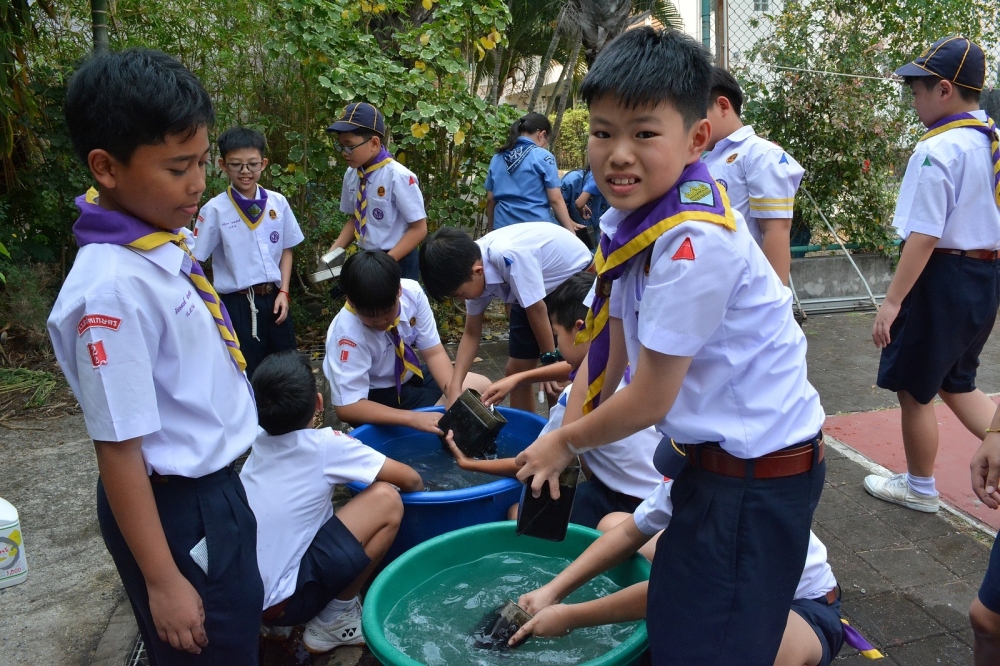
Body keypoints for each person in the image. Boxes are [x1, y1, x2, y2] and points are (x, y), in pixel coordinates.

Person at [513, 28, 826, 665]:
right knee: (682, 619)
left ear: (696, 138)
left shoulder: (692, 241)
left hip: (753, 480)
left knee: (709, 646)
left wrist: (565, 443)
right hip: (710, 463)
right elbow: (609, 352)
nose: (618, 154)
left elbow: (652, 397)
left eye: (644, 133)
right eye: (603, 132)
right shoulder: (635, 221)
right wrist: (564, 436)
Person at [48, 48, 264, 662]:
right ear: (106, 167)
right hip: (176, 507)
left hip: (211, 490)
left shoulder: (157, 245)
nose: (198, 183)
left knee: (234, 632)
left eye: (202, 161)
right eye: (177, 167)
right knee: (210, 648)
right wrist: (163, 579)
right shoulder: (110, 292)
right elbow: (119, 446)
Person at [865, 36, 1000, 515]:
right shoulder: (990, 139)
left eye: (916, 89)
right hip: (985, 274)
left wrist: (892, 302)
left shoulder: (939, 148)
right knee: (956, 380)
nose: (912, 100)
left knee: (914, 385)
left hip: (942, 275)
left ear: (944, 89)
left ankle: (920, 487)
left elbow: (924, 235)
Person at [511, 483, 855, 666]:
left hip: (801, 607)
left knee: (754, 650)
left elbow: (675, 593)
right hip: (719, 582)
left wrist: (569, 617)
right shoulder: (697, 477)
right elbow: (629, 531)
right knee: (612, 523)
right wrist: (552, 590)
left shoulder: (736, 515)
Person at [240, 351, 423, 653]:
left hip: (247, 599)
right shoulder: (326, 445)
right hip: (286, 603)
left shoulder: (257, 438)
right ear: (319, 403)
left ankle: (276, 625)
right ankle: (334, 619)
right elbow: (411, 479)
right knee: (386, 499)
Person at [447, 272, 662, 527]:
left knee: (517, 513)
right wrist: (519, 378)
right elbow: (584, 365)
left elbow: (533, 463)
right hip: (663, 494)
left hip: (631, 506)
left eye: (557, 335)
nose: (557, 348)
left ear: (580, 328)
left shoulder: (573, 400)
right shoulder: (633, 365)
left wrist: (469, 464)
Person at [419, 223, 592, 412]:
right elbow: (471, 333)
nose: (462, 300)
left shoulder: (507, 254)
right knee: (516, 371)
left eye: (460, 295)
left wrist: (549, 359)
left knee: (557, 381)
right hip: (529, 293)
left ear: (478, 271)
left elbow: (536, 309)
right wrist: (454, 387)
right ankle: (524, 427)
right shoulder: (468, 269)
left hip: (571, 282)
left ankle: (563, 426)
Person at [322, 250, 489, 432]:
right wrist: (413, 419)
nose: (381, 321)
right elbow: (347, 407)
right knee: (447, 424)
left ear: (399, 291)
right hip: (375, 394)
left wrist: (453, 393)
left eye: (388, 312)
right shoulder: (346, 335)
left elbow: (433, 353)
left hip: (408, 375)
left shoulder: (412, 294)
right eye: (370, 317)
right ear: (350, 301)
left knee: (482, 389)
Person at [193, 126, 304, 378]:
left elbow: (287, 248)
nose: (245, 171)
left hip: (275, 299)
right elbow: (195, 261)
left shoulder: (278, 202)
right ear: (223, 165)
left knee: (289, 369)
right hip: (238, 305)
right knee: (249, 373)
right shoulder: (215, 210)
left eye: (252, 164)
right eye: (236, 165)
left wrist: (284, 292)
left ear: (263, 163)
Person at [702, 67, 805, 285]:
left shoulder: (761, 154)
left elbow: (776, 230)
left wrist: (775, 299)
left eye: (695, 115)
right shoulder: (705, 160)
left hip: (745, 289)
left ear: (723, 106)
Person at [324, 102, 427, 280]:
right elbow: (356, 218)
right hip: (368, 260)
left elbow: (419, 228)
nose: (344, 153)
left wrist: (385, 263)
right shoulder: (352, 174)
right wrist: (332, 254)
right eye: (340, 146)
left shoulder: (398, 177)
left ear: (374, 143)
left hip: (398, 259)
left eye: (349, 146)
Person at [485, 112, 583, 235]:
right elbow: (555, 200)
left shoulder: (497, 157)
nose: (545, 146)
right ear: (542, 135)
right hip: (536, 231)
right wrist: (571, 233)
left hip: (502, 229)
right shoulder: (543, 156)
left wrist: (491, 232)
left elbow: (490, 200)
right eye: (547, 141)